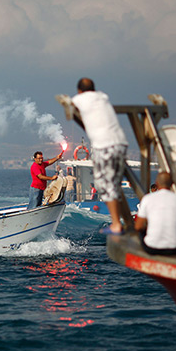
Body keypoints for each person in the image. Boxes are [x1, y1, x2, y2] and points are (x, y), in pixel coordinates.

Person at [71, 77, 129, 234]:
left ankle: (116, 224)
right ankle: (126, 221)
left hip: (105, 145)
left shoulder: (80, 98)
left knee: (104, 184)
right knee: (115, 182)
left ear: (80, 91)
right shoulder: (103, 97)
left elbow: (71, 107)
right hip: (121, 142)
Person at [134, 172, 176, 255]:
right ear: (172, 184)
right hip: (174, 248)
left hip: (151, 248)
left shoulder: (147, 199)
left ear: (157, 183)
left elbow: (138, 226)